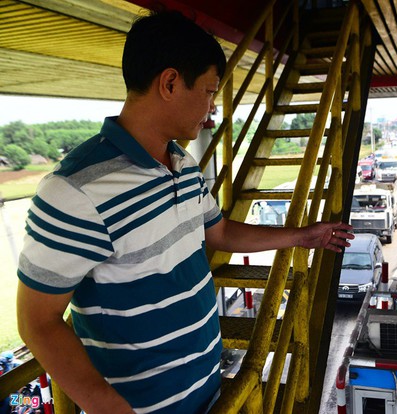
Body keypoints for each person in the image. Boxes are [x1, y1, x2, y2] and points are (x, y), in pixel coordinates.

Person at [15, 10, 353, 414]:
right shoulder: (75, 190)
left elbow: (220, 233)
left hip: (208, 393)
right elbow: (37, 321)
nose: (212, 108)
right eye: (210, 92)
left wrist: (302, 236)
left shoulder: (183, 164)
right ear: (171, 83)